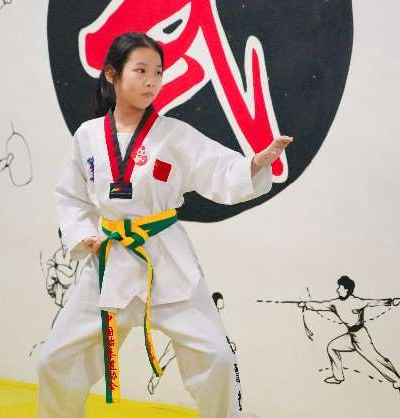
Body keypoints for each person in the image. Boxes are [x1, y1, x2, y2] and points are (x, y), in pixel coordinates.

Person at [37, 32, 292, 418]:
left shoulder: (174, 135)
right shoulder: (87, 136)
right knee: (55, 360)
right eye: (140, 71)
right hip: (108, 261)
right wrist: (83, 234)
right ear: (112, 74)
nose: (151, 81)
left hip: (164, 259)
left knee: (217, 357)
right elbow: (70, 196)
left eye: (157, 72)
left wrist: (254, 165)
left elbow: (219, 169)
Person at [299, 276, 400, 401]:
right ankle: (338, 377)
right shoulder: (335, 303)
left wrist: (392, 301)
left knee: (376, 360)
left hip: (361, 337)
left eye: (340, 287)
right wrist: (306, 304)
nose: (337, 290)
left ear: (346, 290)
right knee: (332, 347)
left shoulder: (356, 302)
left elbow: (373, 302)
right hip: (351, 336)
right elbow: (321, 305)